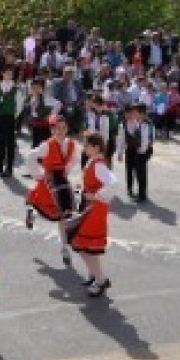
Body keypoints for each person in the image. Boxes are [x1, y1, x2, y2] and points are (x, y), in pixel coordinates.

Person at [24, 115, 81, 266]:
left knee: (63, 214)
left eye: (63, 128)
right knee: (46, 208)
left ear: (67, 128)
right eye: (57, 129)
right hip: (48, 181)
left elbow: (74, 160)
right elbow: (30, 157)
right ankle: (33, 213)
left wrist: (66, 172)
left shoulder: (72, 144)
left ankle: (64, 248)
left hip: (61, 180)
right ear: (52, 130)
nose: (61, 131)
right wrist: (39, 175)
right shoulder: (47, 145)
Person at [68, 133, 116, 297]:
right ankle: (94, 275)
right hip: (91, 207)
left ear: (96, 147)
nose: (84, 147)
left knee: (84, 245)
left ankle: (101, 280)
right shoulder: (95, 161)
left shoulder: (98, 164)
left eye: (87, 145)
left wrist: (95, 196)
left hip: (96, 209)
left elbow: (113, 183)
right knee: (83, 245)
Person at [0, 66, 24, 176]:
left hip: (10, 116)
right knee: (0, 141)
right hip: (0, 116)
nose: (9, 75)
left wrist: (13, 115)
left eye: (10, 73)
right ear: (3, 74)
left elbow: (19, 104)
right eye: (7, 73)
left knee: (10, 143)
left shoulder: (16, 88)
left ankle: (9, 168)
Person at [117, 103, 153, 202]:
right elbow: (121, 139)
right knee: (129, 168)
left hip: (141, 150)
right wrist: (120, 152)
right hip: (132, 148)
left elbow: (146, 138)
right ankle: (131, 188)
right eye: (126, 114)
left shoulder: (143, 122)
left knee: (140, 171)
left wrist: (142, 149)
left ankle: (142, 193)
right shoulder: (124, 123)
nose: (128, 116)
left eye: (132, 113)